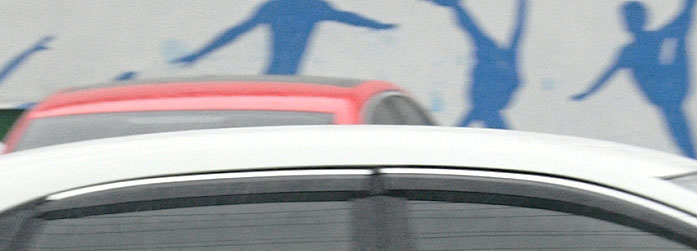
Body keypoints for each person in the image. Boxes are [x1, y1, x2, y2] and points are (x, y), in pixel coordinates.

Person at [574, 0, 697, 158]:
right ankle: (693, 157)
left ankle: (693, 157)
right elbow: (607, 75)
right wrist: (586, 93)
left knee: (680, 36)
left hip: (672, 89)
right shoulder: (630, 51)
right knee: (682, 136)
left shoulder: (649, 41)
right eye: (627, 19)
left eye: (630, 19)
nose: (628, 22)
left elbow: (678, 24)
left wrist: (688, 9)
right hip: (666, 94)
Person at [173, 0, 395, 76]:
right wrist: (379, 26)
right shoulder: (304, 6)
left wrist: (379, 26)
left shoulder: (308, 5)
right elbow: (235, 33)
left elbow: (349, 17)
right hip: (277, 78)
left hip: (282, 78)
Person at [428, 0, 527, 129]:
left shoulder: (484, 108)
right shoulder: (487, 107)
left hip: (492, 76)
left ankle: (455, 6)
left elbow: (518, 29)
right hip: (492, 78)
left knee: (476, 32)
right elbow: (518, 28)